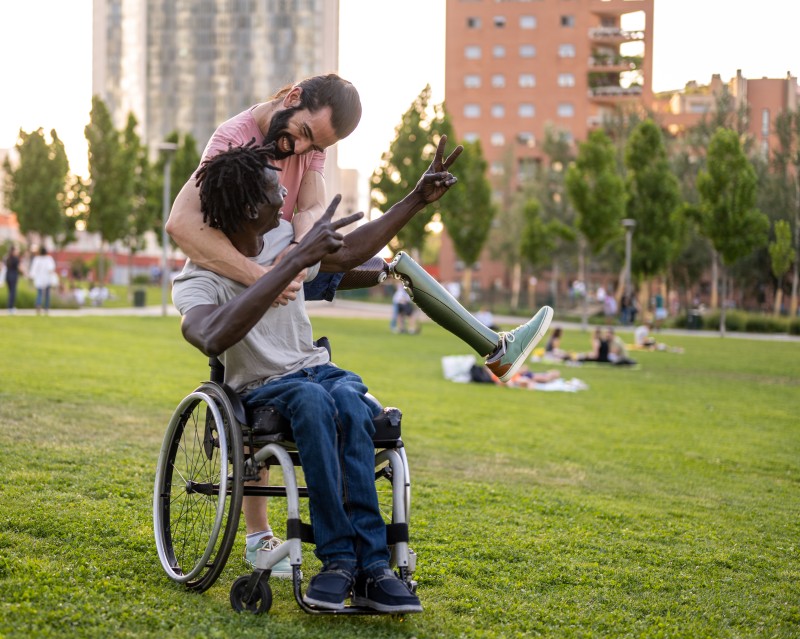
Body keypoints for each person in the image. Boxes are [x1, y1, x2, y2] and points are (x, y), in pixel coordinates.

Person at [166, 75, 555, 574]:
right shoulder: (233, 138)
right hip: (239, 263)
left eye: (315, 145)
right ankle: (261, 537)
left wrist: (305, 249)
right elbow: (182, 224)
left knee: (392, 268)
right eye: (304, 135)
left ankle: (493, 347)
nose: (301, 150)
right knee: (275, 397)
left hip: (279, 252)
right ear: (292, 98)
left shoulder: (310, 149)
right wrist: (267, 274)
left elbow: (315, 216)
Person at [171, 141, 470, 612]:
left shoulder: (284, 235)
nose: (284, 194)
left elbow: (350, 252)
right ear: (249, 209)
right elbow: (210, 336)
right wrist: (289, 264)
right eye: (274, 189)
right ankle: (338, 563)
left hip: (319, 371)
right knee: (312, 403)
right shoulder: (200, 278)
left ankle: (373, 569)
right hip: (264, 386)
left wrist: (416, 198)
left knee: (349, 401)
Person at [29, 246, 56, 315]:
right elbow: (51, 268)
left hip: (39, 279)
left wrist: (31, 277)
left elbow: (33, 269)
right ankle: (46, 307)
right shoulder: (49, 259)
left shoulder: (37, 259)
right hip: (47, 278)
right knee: (47, 294)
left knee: (40, 293)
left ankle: (38, 304)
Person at [5, 246, 20, 313]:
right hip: (13, 276)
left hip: (8, 276)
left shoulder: (7, 258)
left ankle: (9, 306)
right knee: (13, 292)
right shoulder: (15, 259)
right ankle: (10, 307)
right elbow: (19, 267)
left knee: (10, 292)